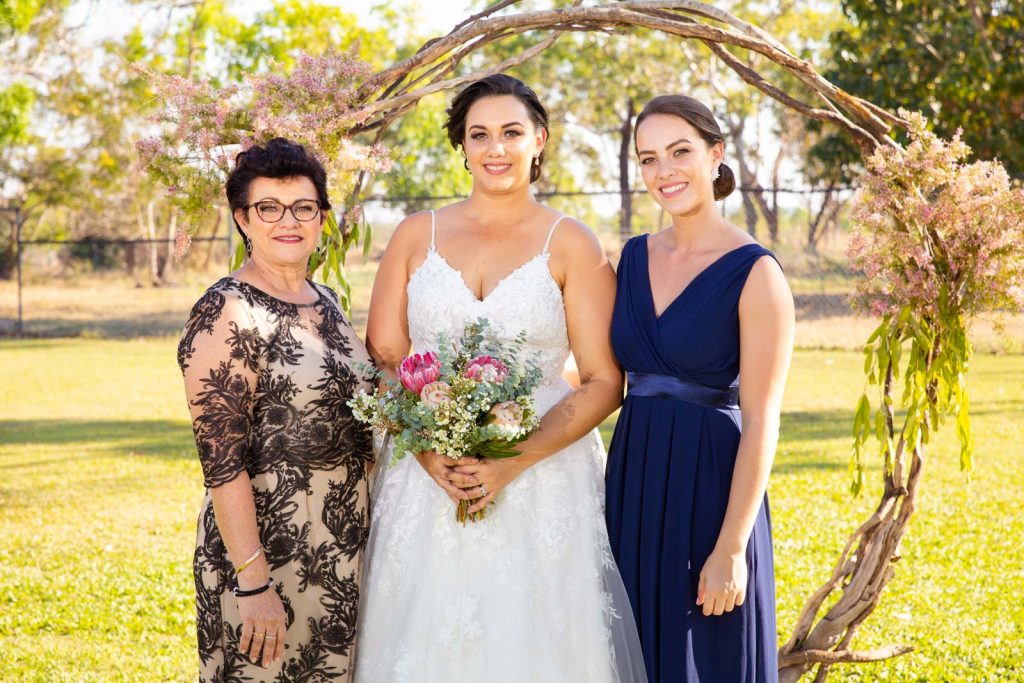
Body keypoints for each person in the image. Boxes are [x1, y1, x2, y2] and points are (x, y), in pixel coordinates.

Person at [355, 74, 646, 682]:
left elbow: (601, 379)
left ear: (538, 140)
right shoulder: (415, 234)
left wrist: (512, 462)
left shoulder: (572, 243)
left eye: (512, 132)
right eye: (479, 134)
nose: (496, 148)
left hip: (544, 475)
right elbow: (384, 359)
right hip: (425, 475)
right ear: (460, 146)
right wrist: (430, 452)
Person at [605, 95, 794, 682]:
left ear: (714, 154)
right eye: (649, 158)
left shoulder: (756, 272)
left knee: (704, 660)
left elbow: (763, 421)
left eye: (680, 151)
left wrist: (732, 547)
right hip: (633, 485)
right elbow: (593, 373)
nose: (665, 172)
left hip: (711, 493)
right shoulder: (630, 259)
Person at [178, 137, 374, 681]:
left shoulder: (329, 300)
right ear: (243, 218)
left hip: (342, 545)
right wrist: (253, 580)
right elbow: (221, 462)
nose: (288, 221)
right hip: (268, 551)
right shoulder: (226, 310)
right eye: (268, 207)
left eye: (303, 207)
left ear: (321, 217)